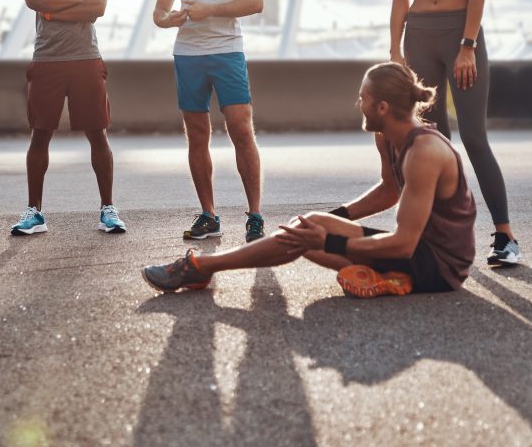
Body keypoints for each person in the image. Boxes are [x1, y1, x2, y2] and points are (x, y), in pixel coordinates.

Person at [143, 62, 476, 298]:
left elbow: (404, 243)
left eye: (364, 97)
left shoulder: (424, 153)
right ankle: (389, 278)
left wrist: (329, 240)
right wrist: (333, 222)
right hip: (417, 250)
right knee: (306, 227)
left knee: (307, 240)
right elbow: (389, 191)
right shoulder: (389, 136)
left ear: (384, 107)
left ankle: (201, 267)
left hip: (441, 265)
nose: (359, 103)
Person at [390, 0, 521, 265]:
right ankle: (441, 236)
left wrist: (468, 45)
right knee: (433, 142)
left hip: (460, 38)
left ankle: (504, 237)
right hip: (420, 38)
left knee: (474, 137)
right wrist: (395, 49)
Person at [151, 0, 266, 243]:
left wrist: (210, 9)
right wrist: (166, 19)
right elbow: (159, 10)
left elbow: (256, 0)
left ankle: (255, 216)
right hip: (187, 55)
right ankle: (209, 215)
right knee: (197, 135)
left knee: (240, 130)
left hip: (226, 50)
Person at [9, 0, 125, 236]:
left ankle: (108, 209)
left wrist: (54, 8)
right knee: (40, 134)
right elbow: (34, 1)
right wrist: (77, 1)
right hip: (47, 60)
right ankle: (35, 212)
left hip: (86, 58)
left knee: (97, 133)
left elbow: (98, 7)